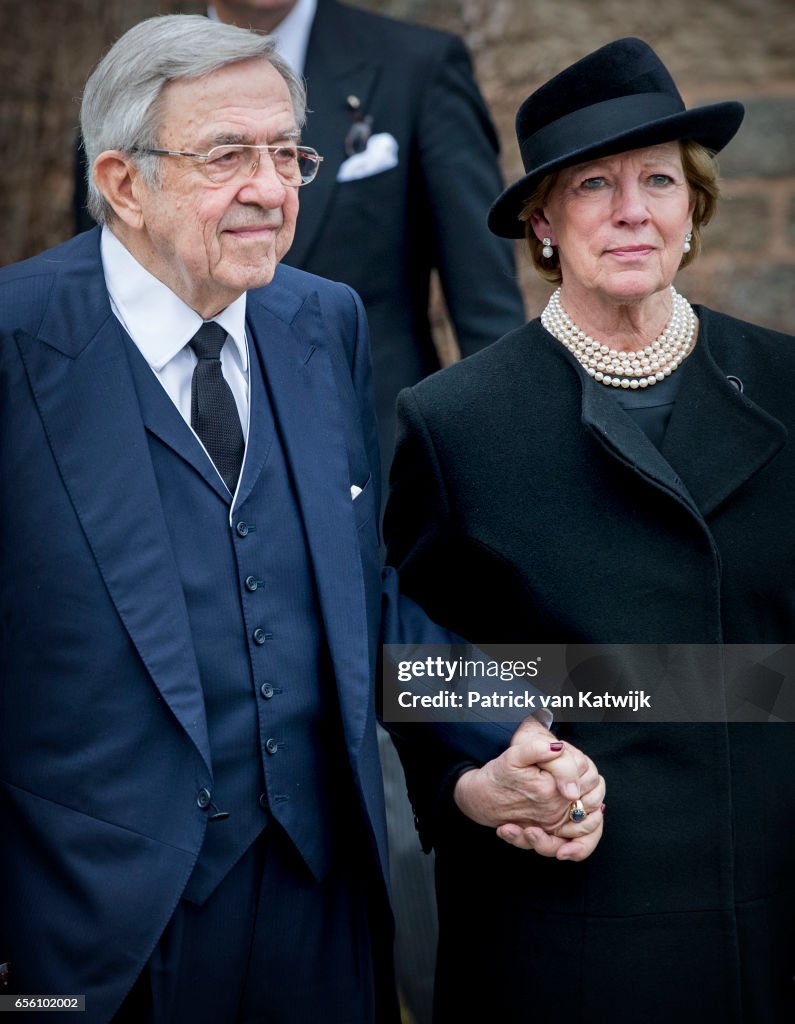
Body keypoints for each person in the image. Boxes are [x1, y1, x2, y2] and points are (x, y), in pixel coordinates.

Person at [1, 15, 602, 1024]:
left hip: (321, 901)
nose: (275, 190)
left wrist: (498, 734)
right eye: (229, 155)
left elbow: (350, 588)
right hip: (90, 923)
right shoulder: (16, 340)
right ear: (122, 183)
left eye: (288, 152)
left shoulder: (322, 321)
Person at [384, 37, 795, 1024]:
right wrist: (475, 785)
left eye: (659, 178)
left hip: (774, 901)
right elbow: (413, 659)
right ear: (543, 221)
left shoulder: (786, 382)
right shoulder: (456, 422)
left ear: (691, 207)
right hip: (567, 912)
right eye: (593, 185)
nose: (631, 210)